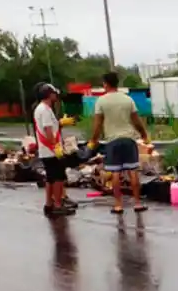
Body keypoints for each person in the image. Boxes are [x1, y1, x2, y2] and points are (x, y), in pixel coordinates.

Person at [88, 72, 150, 214]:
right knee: (133, 170)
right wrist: (144, 135)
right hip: (129, 139)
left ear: (105, 84)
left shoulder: (101, 101)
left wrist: (93, 140)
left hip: (112, 141)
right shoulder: (128, 100)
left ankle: (118, 205)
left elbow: (97, 124)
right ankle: (138, 203)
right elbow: (136, 120)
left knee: (115, 173)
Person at [34, 83, 76, 217]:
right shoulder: (45, 110)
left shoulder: (41, 108)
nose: (55, 96)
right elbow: (47, 130)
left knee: (50, 179)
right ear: (49, 94)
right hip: (50, 151)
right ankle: (57, 205)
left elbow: (51, 127)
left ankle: (49, 204)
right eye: (54, 94)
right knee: (58, 178)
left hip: (46, 150)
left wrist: (60, 124)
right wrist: (56, 147)